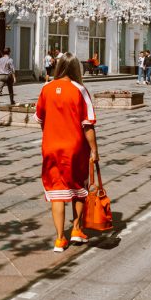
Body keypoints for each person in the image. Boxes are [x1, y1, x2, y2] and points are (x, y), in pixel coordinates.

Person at [35, 52, 99, 252]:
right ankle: (77, 230)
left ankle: (60, 239)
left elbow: (39, 118)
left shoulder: (46, 89)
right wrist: (95, 150)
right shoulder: (80, 90)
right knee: (79, 188)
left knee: (57, 192)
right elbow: (88, 125)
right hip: (75, 147)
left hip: (51, 147)